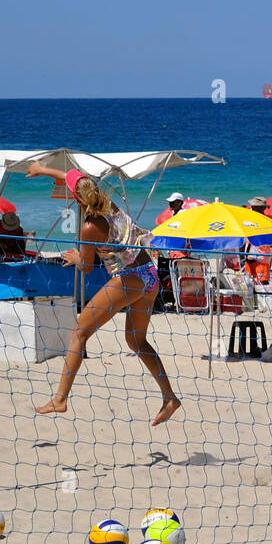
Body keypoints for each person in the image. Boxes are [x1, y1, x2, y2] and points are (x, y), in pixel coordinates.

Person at [26, 161, 181, 427]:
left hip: (130, 278)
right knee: (136, 342)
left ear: (77, 199)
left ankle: (60, 399)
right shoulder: (109, 203)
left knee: (79, 332)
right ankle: (169, 398)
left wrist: (76, 258)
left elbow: (87, 268)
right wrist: (42, 169)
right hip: (149, 275)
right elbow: (70, 176)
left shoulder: (90, 226)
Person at [244, 196, 272, 283]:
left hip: (261, 258)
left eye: (253, 206)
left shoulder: (266, 222)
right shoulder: (251, 220)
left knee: (262, 284)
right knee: (249, 283)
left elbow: (271, 245)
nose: (251, 208)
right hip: (250, 256)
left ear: (261, 208)